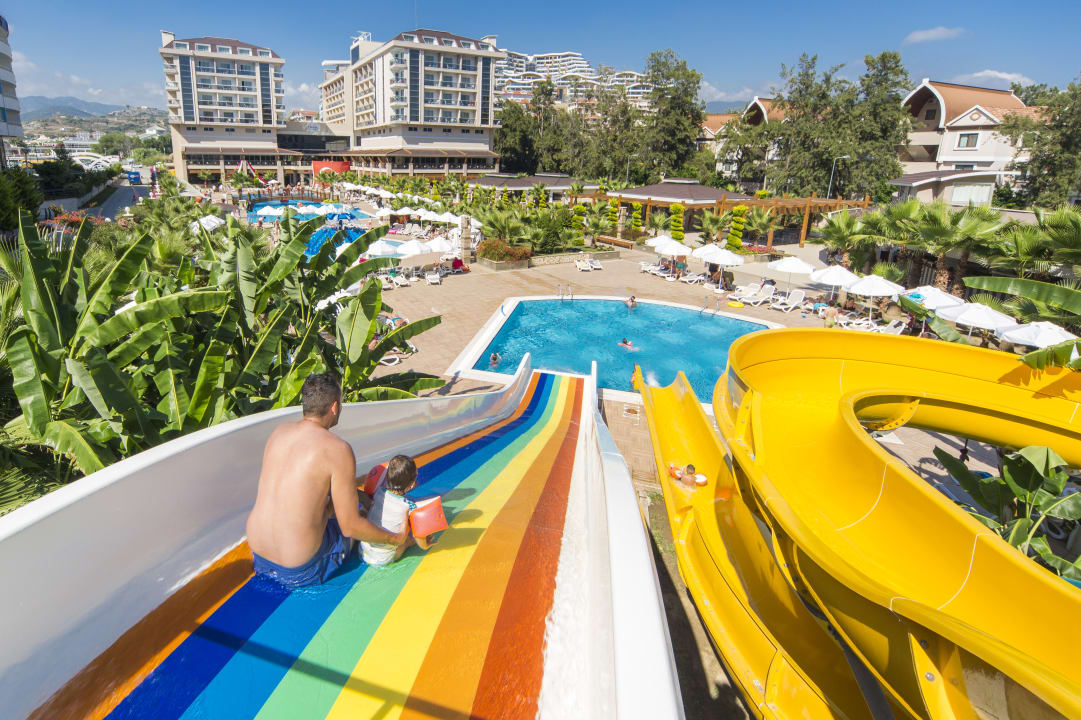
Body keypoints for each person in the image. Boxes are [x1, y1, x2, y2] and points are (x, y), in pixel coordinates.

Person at [246, 373, 409, 588]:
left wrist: (358, 494)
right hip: (301, 569)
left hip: (259, 555)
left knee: (337, 507)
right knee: (363, 518)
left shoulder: (279, 432)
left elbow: (304, 491)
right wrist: (395, 538)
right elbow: (351, 527)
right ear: (334, 407)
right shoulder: (337, 449)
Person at [362, 455, 436, 566]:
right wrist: (425, 545)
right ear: (411, 485)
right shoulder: (409, 507)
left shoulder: (378, 492)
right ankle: (406, 545)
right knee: (405, 540)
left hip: (363, 550)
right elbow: (418, 535)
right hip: (383, 559)